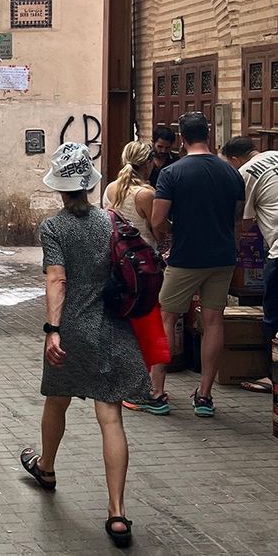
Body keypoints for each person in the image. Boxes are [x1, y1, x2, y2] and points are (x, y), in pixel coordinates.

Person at [21, 143, 151, 547]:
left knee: (56, 400)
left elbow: (56, 278)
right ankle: (117, 513)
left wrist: (53, 329)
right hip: (112, 328)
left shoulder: (54, 228)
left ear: (60, 188)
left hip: (73, 330)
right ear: (89, 184)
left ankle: (46, 467)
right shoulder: (111, 221)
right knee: (110, 418)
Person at [151, 112, 245, 418]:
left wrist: (172, 236)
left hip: (185, 257)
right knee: (214, 321)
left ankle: (156, 392)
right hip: (222, 256)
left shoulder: (172, 173)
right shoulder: (231, 172)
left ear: (181, 138)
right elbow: (237, 219)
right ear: (208, 134)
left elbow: (157, 219)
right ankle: (204, 395)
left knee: (166, 318)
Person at [102, 141, 171, 415]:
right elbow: (157, 230)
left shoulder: (111, 188)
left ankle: (128, 381)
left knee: (125, 325)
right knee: (151, 327)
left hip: (118, 267)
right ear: (149, 162)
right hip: (144, 268)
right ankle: (152, 390)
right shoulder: (147, 194)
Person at [223, 135, 278, 388]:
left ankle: (272, 377)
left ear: (235, 160)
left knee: (273, 315)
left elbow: (242, 224)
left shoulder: (244, 173)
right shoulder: (275, 156)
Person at [149, 125, 179, 189]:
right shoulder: (145, 158)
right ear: (153, 143)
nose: (163, 151)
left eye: (167, 147)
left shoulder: (176, 161)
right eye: (160, 147)